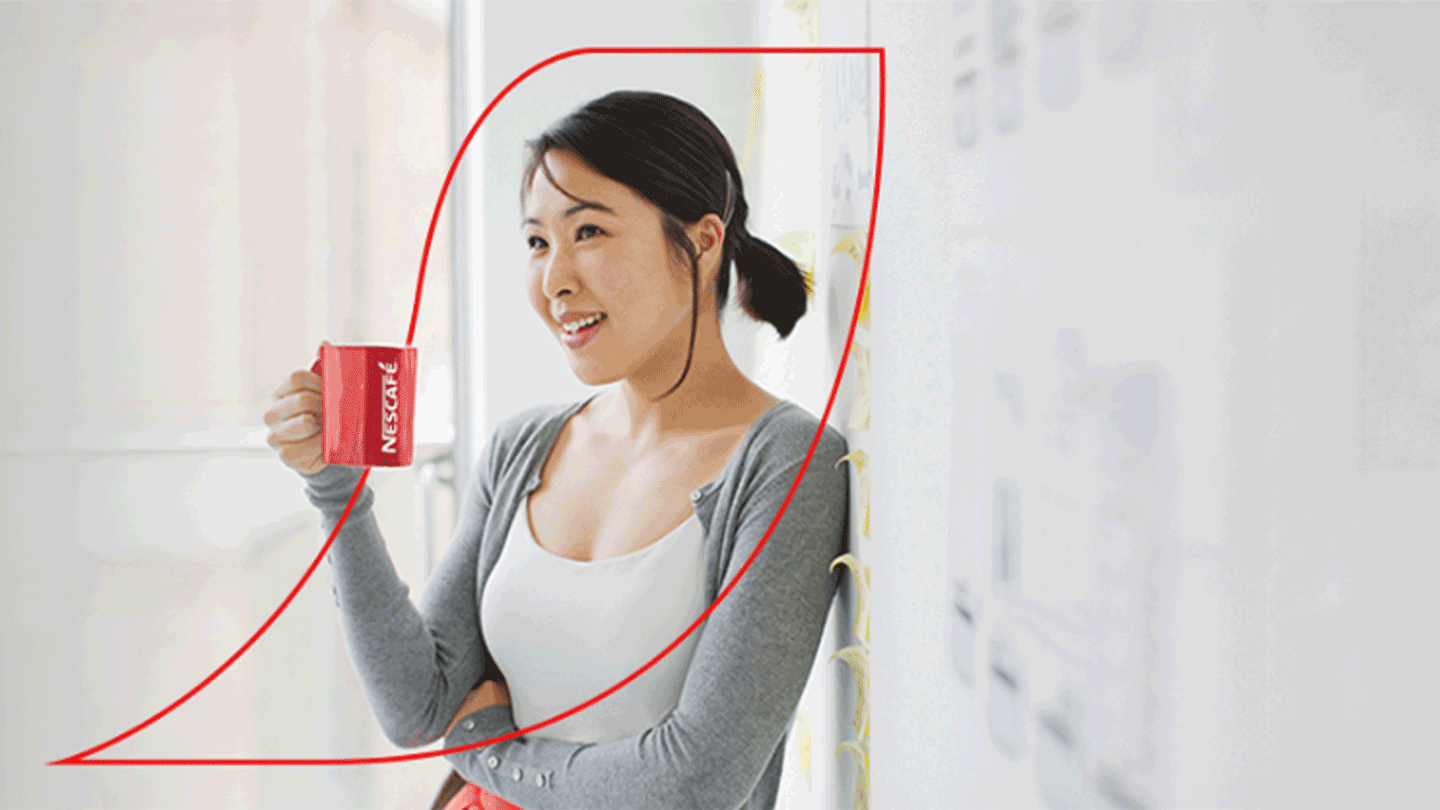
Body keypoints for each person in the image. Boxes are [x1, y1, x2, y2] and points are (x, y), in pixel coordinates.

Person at [264, 90, 850, 810]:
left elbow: (696, 782)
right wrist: (338, 492)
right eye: (538, 242)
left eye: (591, 233)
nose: (555, 281)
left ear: (701, 243)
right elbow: (417, 706)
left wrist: (491, 755)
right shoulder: (525, 447)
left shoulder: (787, 464)